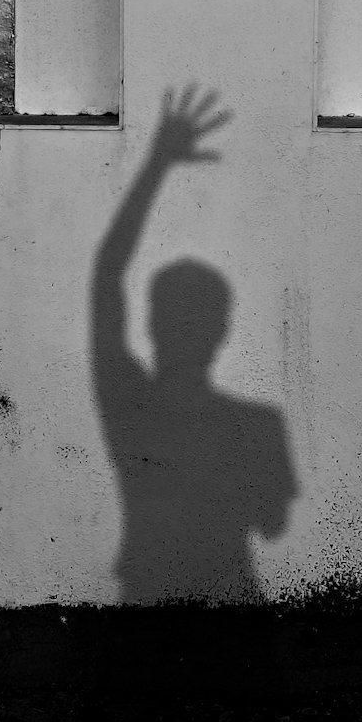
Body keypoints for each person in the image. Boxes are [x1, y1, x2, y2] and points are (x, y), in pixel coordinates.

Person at [92, 85, 296, 603]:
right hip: (229, 596)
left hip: (154, 593)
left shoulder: (130, 402)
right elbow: (272, 523)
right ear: (222, 332)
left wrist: (156, 166)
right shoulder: (255, 425)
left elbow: (107, 277)